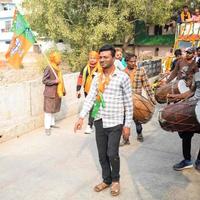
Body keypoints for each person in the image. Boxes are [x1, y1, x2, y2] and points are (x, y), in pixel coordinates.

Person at [74, 44, 133, 196]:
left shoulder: (123, 77)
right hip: (99, 120)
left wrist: (127, 125)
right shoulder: (97, 78)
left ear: (114, 58)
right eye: (100, 57)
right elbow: (90, 99)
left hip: (115, 122)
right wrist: (81, 117)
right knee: (102, 154)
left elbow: (128, 103)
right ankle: (106, 180)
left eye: (105, 57)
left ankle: (115, 181)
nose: (102, 60)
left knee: (112, 153)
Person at [168, 63, 200, 172]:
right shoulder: (198, 75)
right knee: (185, 132)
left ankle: (199, 161)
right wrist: (177, 96)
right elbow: (192, 92)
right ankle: (187, 160)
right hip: (193, 108)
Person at [120, 53, 156, 145]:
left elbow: (147, 85)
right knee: (123, 121)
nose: (133, 63)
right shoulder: (122, 73)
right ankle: (125, 139)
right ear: (126, 61)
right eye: (131, 61)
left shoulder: (141, 71)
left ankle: (139, 134)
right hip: (124, 102)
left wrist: (151, 98)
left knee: (138, 121)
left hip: (137, 102)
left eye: (134, 61)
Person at [76, 51, 102, 134]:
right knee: (91, 107)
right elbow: (80, 78)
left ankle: (90, 124)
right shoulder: (85, 68)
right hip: (87, 90)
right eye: (91, 58)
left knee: (96, 107)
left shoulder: (100, 67)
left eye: (94, 58)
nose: (92, 60)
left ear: (97, 58)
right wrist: (78, 89)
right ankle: (92, 123)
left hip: (98, 91)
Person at [42, 52, 66, 135]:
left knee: (53, 110)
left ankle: (51, 124)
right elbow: (44, 80)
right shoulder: (49, 67)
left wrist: (63, 90)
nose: (60, 60)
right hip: (50, 93)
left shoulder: (57, 68)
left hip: (56, 93)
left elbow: (61, 80)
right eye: (58, 58)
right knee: (48, 111)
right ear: (54, 59)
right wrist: (54, 81)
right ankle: (47, 128)